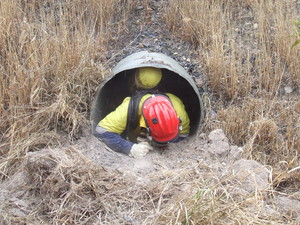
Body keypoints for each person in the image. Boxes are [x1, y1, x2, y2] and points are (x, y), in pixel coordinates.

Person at [94, 67, 190, 158]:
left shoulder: (129, 106)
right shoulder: (174, 101)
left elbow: (101, 132)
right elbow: (184, 134)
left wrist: (129, 148)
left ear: (135, 79)